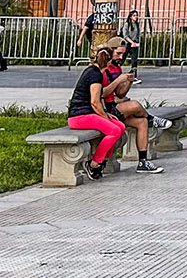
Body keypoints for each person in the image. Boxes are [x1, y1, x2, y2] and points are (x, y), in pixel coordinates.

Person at [103, 40, 168, 173]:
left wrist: (128, 82)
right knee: (134, 105)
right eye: (118, 53)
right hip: (103, 109)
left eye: (123, 54)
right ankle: (152, 119)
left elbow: (120, 94)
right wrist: (118, 80)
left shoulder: (117, 68)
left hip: (113, 106)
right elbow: (101, 93)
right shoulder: (101, 69)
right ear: (110, 51)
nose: (121, 57)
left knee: (141, 122)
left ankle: (143, 162)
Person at [67, 46, 127, 181]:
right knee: (114, 130)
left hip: (89, 114)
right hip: (79, 116)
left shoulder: (95, 72)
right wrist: (104, 117)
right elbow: (95, 102)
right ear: (108, 61)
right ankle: (94, 164)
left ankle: (102, 161)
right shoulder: (95, 74)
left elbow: (99, 99)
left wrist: (106, 113)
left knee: (120, 126)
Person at [122, 12, 143, 81]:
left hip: (135, 44)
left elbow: (138, 34)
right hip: (127, 43)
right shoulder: (127, 24)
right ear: (130, 17)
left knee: (134, 60)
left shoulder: (137, 24)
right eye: (134, 15)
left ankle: (134, 74)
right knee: (122, 58)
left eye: (136, 15)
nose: (136, 17)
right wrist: (131, 42)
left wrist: (137, 42)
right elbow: (125, 35)